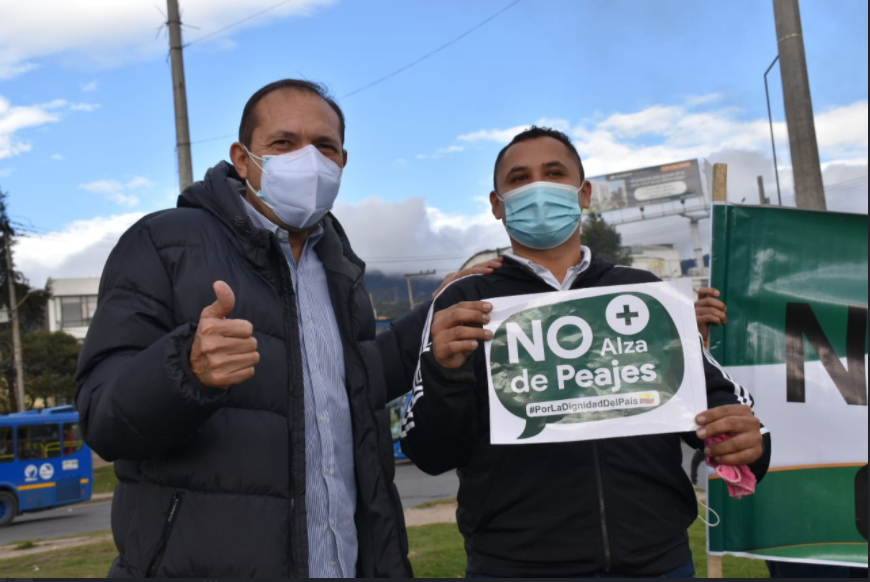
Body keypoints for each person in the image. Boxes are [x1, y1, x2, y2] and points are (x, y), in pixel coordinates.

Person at [75, 79, 413, 578]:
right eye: (283, 143)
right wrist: (183, 370)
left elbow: (362, 398)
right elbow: (101, 418)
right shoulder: (163, 244)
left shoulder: (344, 273)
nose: (309, 160)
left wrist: (443, 309)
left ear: (343, 162)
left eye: (325, 146)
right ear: (242, 158)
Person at [399, 126, 771, 578]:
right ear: (497, 205)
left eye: (554, 173)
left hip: (659, 563)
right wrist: (444, 372)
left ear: (584, 193)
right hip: (513, 568)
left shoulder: (644, 292)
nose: (538, 187)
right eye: (519, 179)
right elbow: (430, 453)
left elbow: (718, 406)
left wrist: (749, 439)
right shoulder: (465, 303)